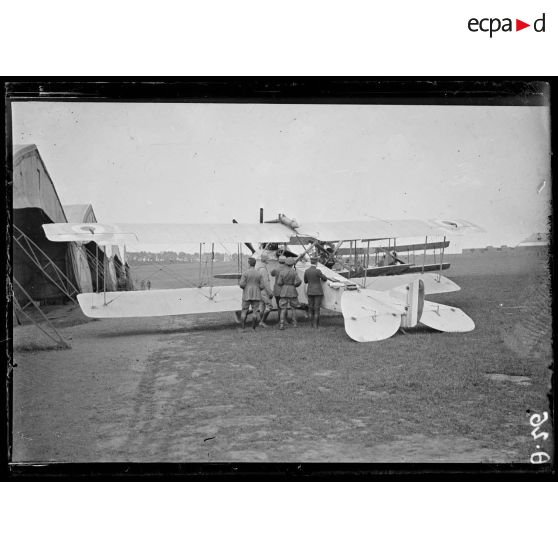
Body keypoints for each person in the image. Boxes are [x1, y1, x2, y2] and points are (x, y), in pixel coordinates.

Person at [239, 256, 265, 330]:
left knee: (244, 310)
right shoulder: (259, 274)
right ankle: (253, 328)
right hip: (256, 294)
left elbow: (241, 284)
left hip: (246, 294)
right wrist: (257, 288)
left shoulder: (245, 273)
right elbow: (262, 286)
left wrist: (245, 287)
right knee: (255, 311)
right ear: (255, 264)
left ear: (249, 264)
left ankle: (243, 328)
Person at [276, 257, 302, 330]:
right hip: (292, 290)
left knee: (283, 309)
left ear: (286, 263)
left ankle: (281, 324)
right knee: (293, 308)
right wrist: (295, 285)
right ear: (292, 264)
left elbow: (279, 282)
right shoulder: (294, 272)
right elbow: (299, 281)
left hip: (284, 291)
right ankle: (295, 323)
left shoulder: (282, 272)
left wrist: (283, 285)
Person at [304, 256, 328, 328]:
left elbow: (305, 281)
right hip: (318, 291)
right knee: (317, 308)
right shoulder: (318, 271)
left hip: (310, 291)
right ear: (317, 263)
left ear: (311, 262)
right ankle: (316, 325)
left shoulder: (307, 271)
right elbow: (325, 278)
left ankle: (311, 325)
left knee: (310, 308)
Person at [257, 254, 274, 327]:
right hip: (264, 291)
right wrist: (270, 292)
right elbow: (266, 282)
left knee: (261, 306)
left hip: (260, 290)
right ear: (265, 260)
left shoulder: (259, 268)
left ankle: (261, 322)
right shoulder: (263, 270)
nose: (269, 260)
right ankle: (262, 321)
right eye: (268, 258)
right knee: (269, 306)